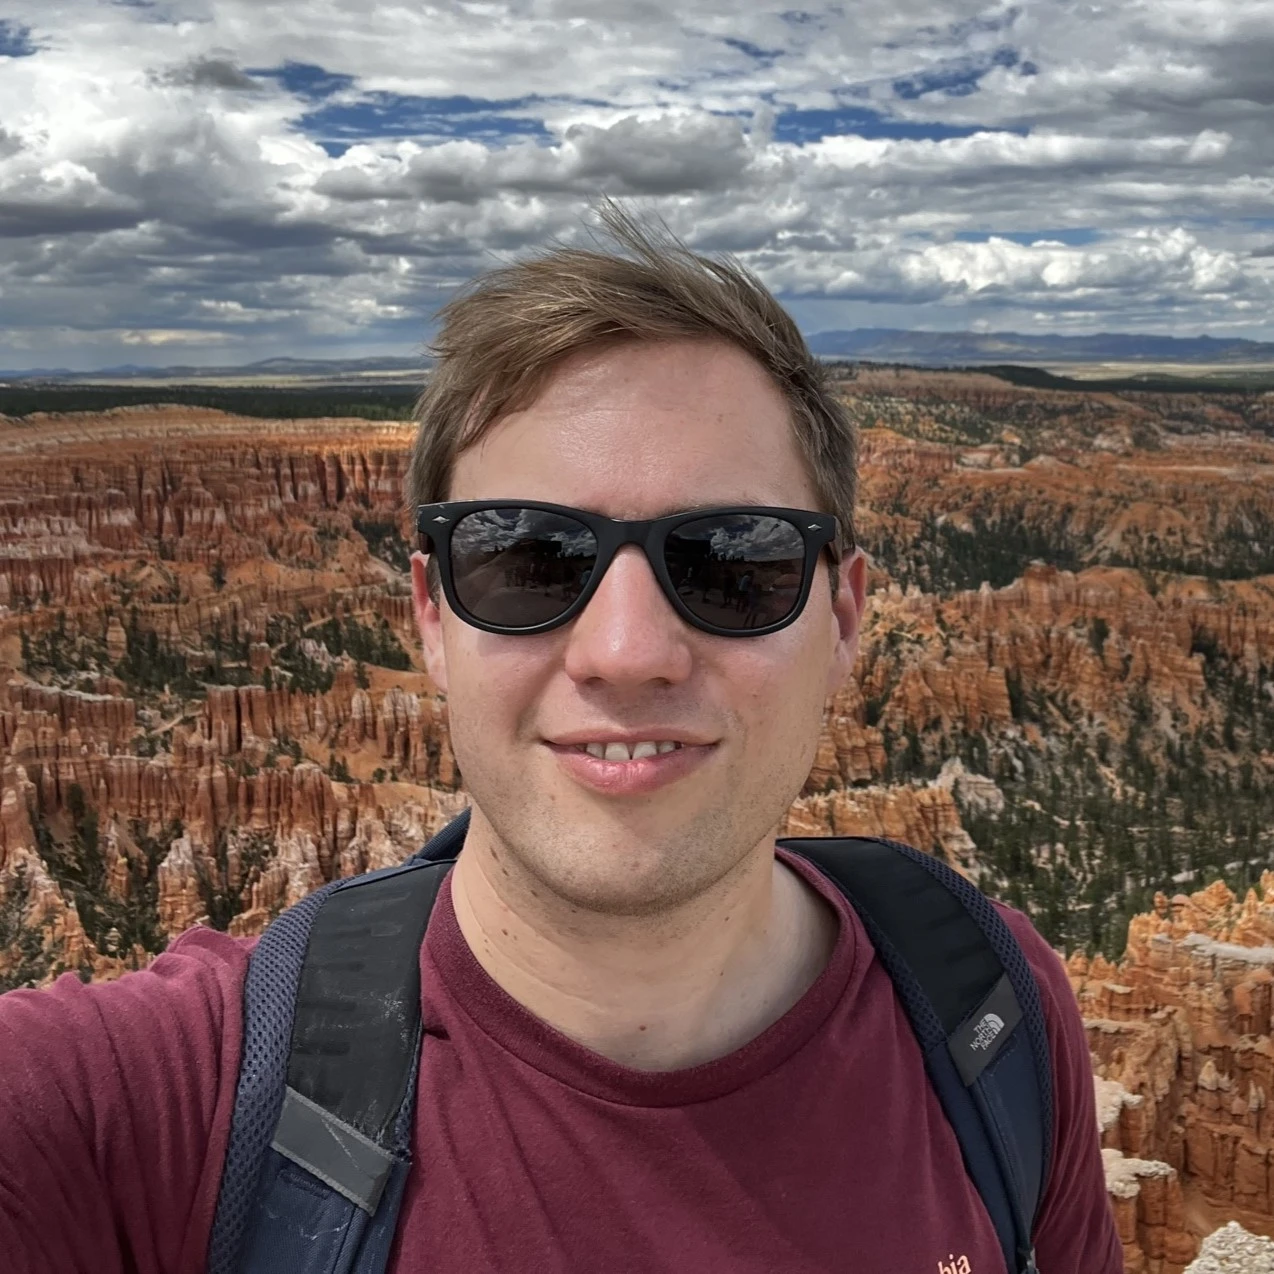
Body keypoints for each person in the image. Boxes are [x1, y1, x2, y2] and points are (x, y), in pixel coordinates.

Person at [0, 208, 1122, 1273]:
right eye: (526, 557)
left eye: (734, 559)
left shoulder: (994, 1014)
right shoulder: (155, 1103)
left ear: (840, 615)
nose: (627, 650)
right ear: (429, 618)